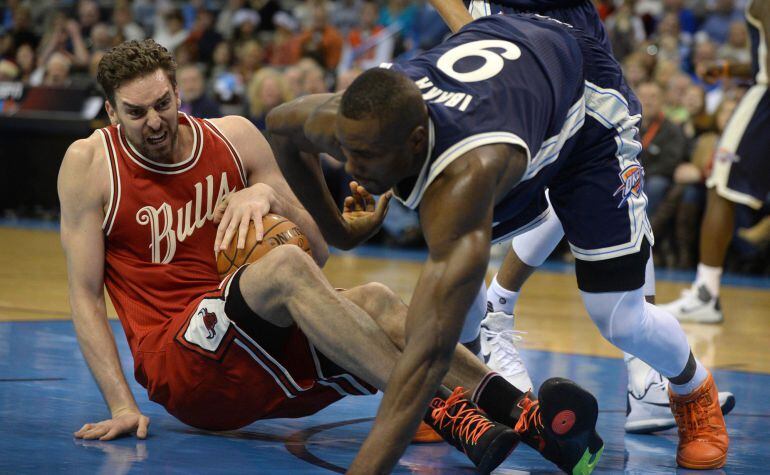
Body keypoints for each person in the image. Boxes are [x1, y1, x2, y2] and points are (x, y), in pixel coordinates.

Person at [59, 39, 598, 475]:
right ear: (110, 111)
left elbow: (315, 250)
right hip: (184, 364)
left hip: (260, 358)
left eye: (163, 104)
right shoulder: (89, 165)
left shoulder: (236, 139)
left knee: (379, 300)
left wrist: (265, 195)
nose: (154, 121)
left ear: (178, 93)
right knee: (284, 268)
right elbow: (84, 295)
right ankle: (435, 406)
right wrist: (122, 405)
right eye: (135, 112)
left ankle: (525, 417)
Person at [267, 12, 729, 471]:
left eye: (365, 157)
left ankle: (692, 389)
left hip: (587, 105)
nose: (349, 168)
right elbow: (281, 127)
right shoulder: (358, 114)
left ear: (413, 143)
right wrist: (339, 232)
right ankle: (472, 394)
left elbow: (427, 358)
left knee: (618, 316)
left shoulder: (470, 175)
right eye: (346, 151)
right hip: (513, 73)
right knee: (455, 273)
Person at [424, 0, 734, 436]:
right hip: (495, 38)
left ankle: (674, 382)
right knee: (460, 231)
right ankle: (465, 372)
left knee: (619, 314)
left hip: (578, 49)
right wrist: (475, 30)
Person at [662, 0, 770, 323]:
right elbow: (760, 63)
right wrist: (726, 70)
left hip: (764, 103)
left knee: (719, 187)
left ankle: (706, 295)